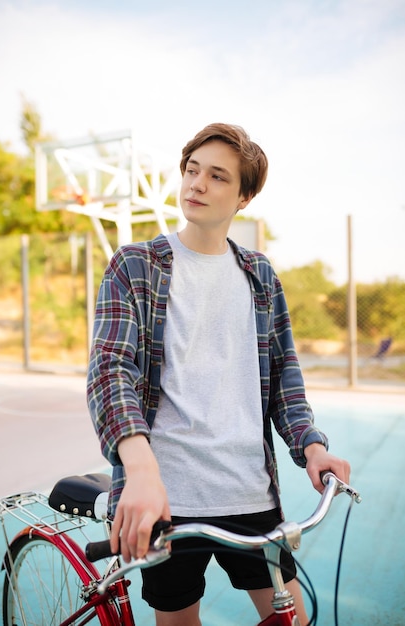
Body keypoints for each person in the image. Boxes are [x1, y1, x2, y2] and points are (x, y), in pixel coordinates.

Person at [87, 122, 350, 626]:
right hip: (166, 498)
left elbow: (284, 378)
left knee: (291, 619)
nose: (197, 184)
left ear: (244, 197)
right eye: (191, 170)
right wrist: (140, 471)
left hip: (250, 493)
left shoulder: (260, 275)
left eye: (217, 176)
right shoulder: (136, 265)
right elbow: (110, 370)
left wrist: (312, 446)